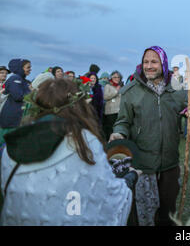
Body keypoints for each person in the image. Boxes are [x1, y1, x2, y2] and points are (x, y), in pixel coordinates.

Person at [0, 78, 136, 225]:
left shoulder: (14, 142)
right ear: (78, 107)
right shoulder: (82, 141)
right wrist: (130, 178)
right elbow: (109, 196)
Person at [110, 46, 187, 226]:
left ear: (163, 64)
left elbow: (189, 110)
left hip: (169, 164)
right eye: (146, 62)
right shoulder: (131, 91)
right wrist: (118, 132)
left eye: (154, 61)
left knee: (168, 215)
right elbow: (123, 121)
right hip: (142, 166)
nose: (149, 66)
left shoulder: (176, 91)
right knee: (143, 217)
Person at [0, 59, 32, 145]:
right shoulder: (15, 78)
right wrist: (32, 96)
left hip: (17, 117)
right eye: (28, 67)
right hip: (11, 118)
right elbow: (17, 96)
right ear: (20, 68)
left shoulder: (22, 79)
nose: (30, 69)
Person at [103, 71, 123, 141]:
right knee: (110, 130)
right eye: (114, 77)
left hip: (119, 111)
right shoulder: (108, 86)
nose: (116, 78)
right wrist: (116, 91)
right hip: (110, 112)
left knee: (118, 130)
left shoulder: (122, 86)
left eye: (118, 77)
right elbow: (105, 97)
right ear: (111, 78)